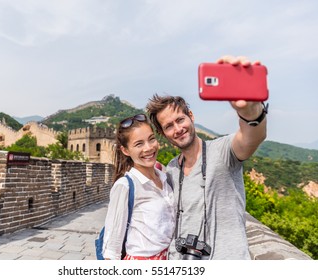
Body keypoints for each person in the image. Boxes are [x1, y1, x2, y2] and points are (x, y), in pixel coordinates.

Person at [146, 56, 268, 260]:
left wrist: (250, 112)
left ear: (191, 116)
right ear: (163, 133)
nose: (178, 129)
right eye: (169, 126)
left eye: (180, 119)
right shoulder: (172, 169)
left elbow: (252, 137)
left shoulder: (222, 152)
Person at [101, 114, 176, 260]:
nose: (148, 148)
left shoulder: (165, 178)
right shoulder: (125, 186)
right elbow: (111, 249)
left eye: (151, 139)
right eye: (139, 144)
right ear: (125, 150)